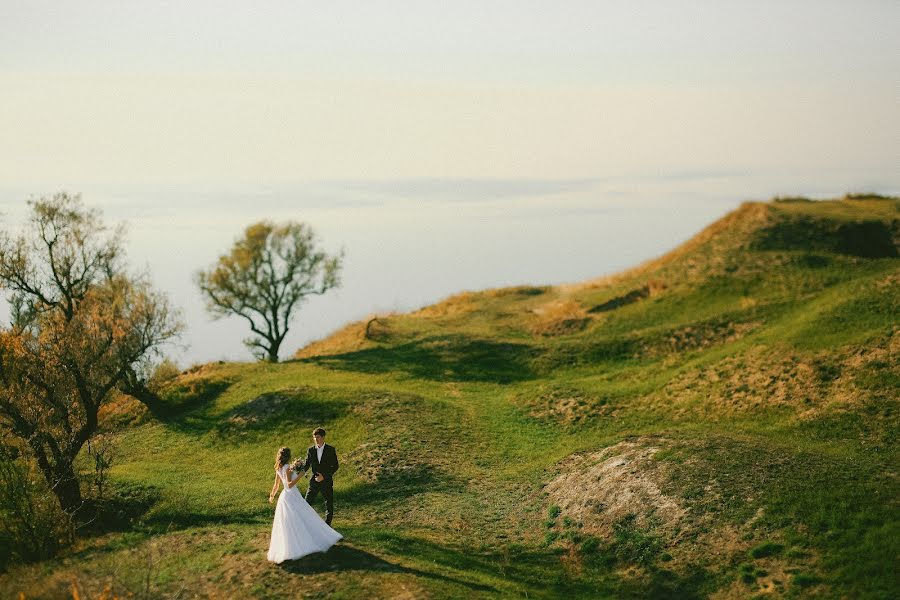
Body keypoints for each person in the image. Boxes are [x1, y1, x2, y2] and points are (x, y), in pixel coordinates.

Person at [267, 446, 342, 563]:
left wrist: (272, 495)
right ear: (288, 456)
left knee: (289, 520)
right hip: (291, 496)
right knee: (304, 515)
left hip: (284, 497)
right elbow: (289, 485)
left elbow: (276, 485)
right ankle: (306, 540)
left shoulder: (278, 468)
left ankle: (292, 542)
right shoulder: (287, 468)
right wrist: (301, 475)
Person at [299, 427, 339, 526]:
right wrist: (297, 470)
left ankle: (327, 526)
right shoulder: (311, 450)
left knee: (328, 504)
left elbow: (335, 466)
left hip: (326, 480)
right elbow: (307, 464)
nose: (316, 439)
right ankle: (304, 524)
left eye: (318, 437)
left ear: (323, 437)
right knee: (306, 503)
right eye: (314, 437)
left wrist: (324, 476)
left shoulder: (330, 450)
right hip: (314, 481)